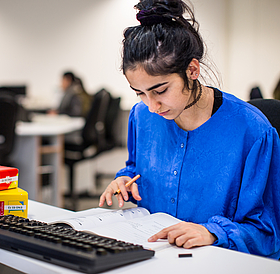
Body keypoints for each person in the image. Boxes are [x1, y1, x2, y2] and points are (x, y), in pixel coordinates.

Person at [99, 0, 280, 259]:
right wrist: (125, 180)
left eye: (160, 90)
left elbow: (268, 232)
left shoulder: (252, 130)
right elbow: (136, 168)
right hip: (153, 257)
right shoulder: (141, 116)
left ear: (192, 70)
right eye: (140, 93)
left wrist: (213, 233)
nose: (151, 106)